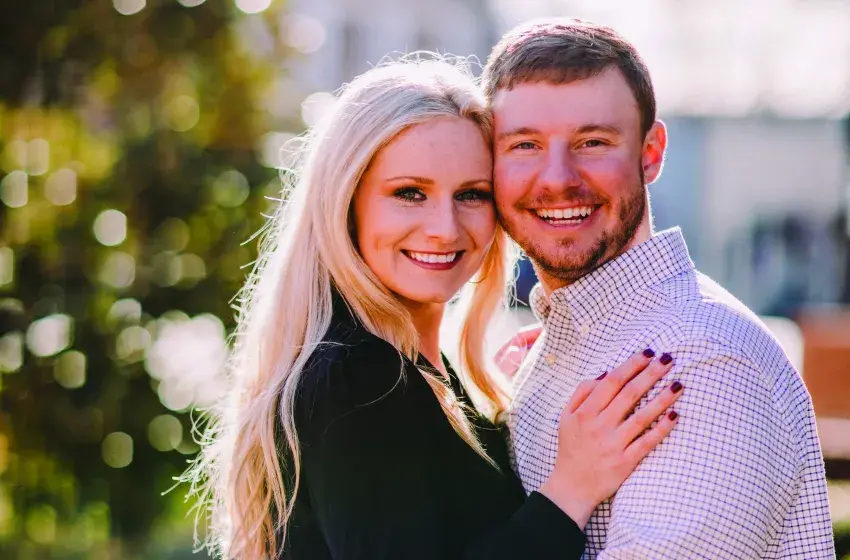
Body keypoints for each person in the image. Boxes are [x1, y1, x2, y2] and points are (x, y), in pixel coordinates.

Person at [185, 57, 685, 560]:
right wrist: (570, 491)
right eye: (410, 193)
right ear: (346, 203)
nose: (445, 228)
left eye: (472, 194)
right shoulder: (358, 378)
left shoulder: (415, 373)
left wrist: (514, 403)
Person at [483, 18, 836, 559]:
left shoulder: (703, 362)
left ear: (650, 153)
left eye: (592, 142)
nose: (557, 178)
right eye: (525, 145)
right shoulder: (548, 356)